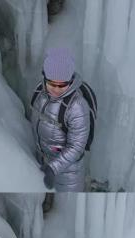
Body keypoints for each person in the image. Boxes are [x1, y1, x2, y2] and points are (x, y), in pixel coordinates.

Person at [30, 47, 91, 192]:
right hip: (43, 163)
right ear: (44, 77)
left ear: (70, 80)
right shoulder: (40, 92)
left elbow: (76, 146)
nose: (56, 89)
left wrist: (53, 168)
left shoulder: (77, 106)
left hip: (68, 174)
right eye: (52, 83)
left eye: (63, 85)